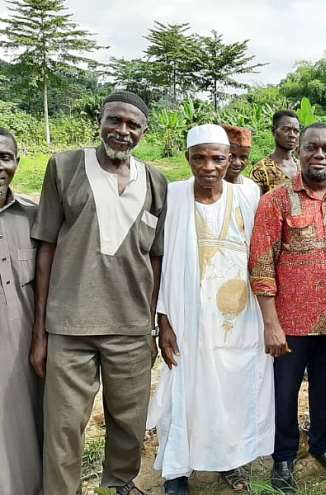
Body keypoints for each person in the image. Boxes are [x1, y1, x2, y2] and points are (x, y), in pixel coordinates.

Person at [30, 91, 167, 495]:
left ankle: (121, 482)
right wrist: (41, 332)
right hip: (70, 325)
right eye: (115, 120)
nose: (122, 131)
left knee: (129, 418)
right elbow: (47, 247)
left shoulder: (156, 181)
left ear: (143, 132)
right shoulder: (65, 167)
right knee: (64, 424)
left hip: (130, 326)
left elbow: (156, 257)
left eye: (133, 125)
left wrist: (151, 323)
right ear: (101, 119)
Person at [148, 124, 273, 494]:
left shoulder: (248, 198)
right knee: (183, 390)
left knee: (233, 391)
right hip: (187, 319)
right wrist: (163, 320)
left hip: (238, 320)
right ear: (187, 159)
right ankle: (177, 470)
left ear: (230, 160)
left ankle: (230, 462)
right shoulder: (172, 197)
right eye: (199, 157)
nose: (208, 166)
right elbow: (160, 261)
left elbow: (262, 258)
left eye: (217, 158)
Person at [249, 122, 326, 492]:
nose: (320, 155)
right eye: (312, 148)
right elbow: (262, 264)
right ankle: (283, 456)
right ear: (299, 153)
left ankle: (321, 445)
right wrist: (271, 324)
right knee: (284, 392)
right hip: (290, 322)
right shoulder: (276, 201)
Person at [0, 128, 42, 495]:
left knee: (29, 434)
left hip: (26, 351)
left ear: (16, 163)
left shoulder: (34, 218)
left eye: (5, 158)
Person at [250, 110, 300, 194]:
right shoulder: (261, 170)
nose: (292, 135)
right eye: (286, 129)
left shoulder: (303, 167)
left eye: (296, 131)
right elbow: (254, 203)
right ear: (273, 131)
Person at [222, 124, 261, 197]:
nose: (237, 163)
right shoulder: (209, 186)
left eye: (243, 157)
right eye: (232, 156)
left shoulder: (251, 188)